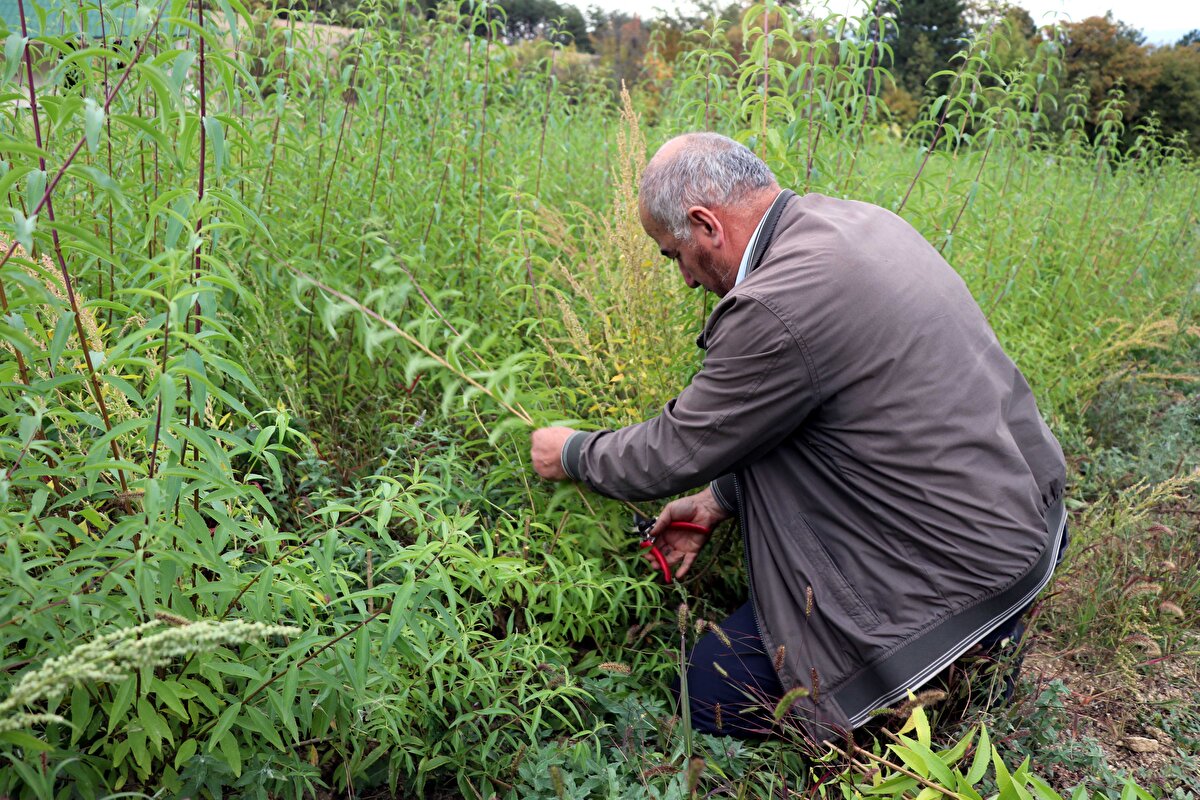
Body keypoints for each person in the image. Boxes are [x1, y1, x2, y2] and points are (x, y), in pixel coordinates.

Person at [530, 132, 1067, 742]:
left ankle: (945, 683)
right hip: (1025, 529)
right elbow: (817, 412)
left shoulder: (777, 304)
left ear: (707, 225)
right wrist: (717, 501)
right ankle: (981, 659)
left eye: (671, 254)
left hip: (967, 579)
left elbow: (671, 451)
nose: (682, 278)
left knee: (707, 690)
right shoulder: (860, 224)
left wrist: (570, 452)